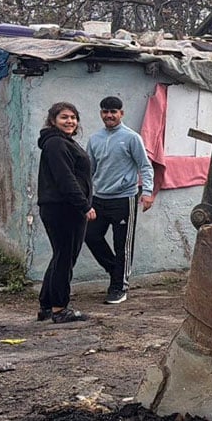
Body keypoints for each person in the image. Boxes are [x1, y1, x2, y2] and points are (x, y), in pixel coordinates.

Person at [84, 96, 155, 305]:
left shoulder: (131, 138)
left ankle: (119, 287)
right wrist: (85, 196)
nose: (109, 115)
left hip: (124, 199)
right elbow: (90, 171)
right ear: (101, 114)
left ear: (121, 113)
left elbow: (145, 166)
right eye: (105, 111)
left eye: (113, 111)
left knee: (122, 244)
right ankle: (116, 270)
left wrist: (148, 191)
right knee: (90, 236)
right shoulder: (94, 139)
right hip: (99, 198)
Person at [36, 102, 96, 324]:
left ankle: (47, 306)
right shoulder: (56, 144)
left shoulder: (62, 142)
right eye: (64, 117)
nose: (70, 121)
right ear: (53, 120)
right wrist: (84, 205)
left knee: (61, 255)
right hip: (64, 209)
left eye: (73, 117)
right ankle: (60, 308)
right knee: (65, 258)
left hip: (60, 207)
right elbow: (66, 179)